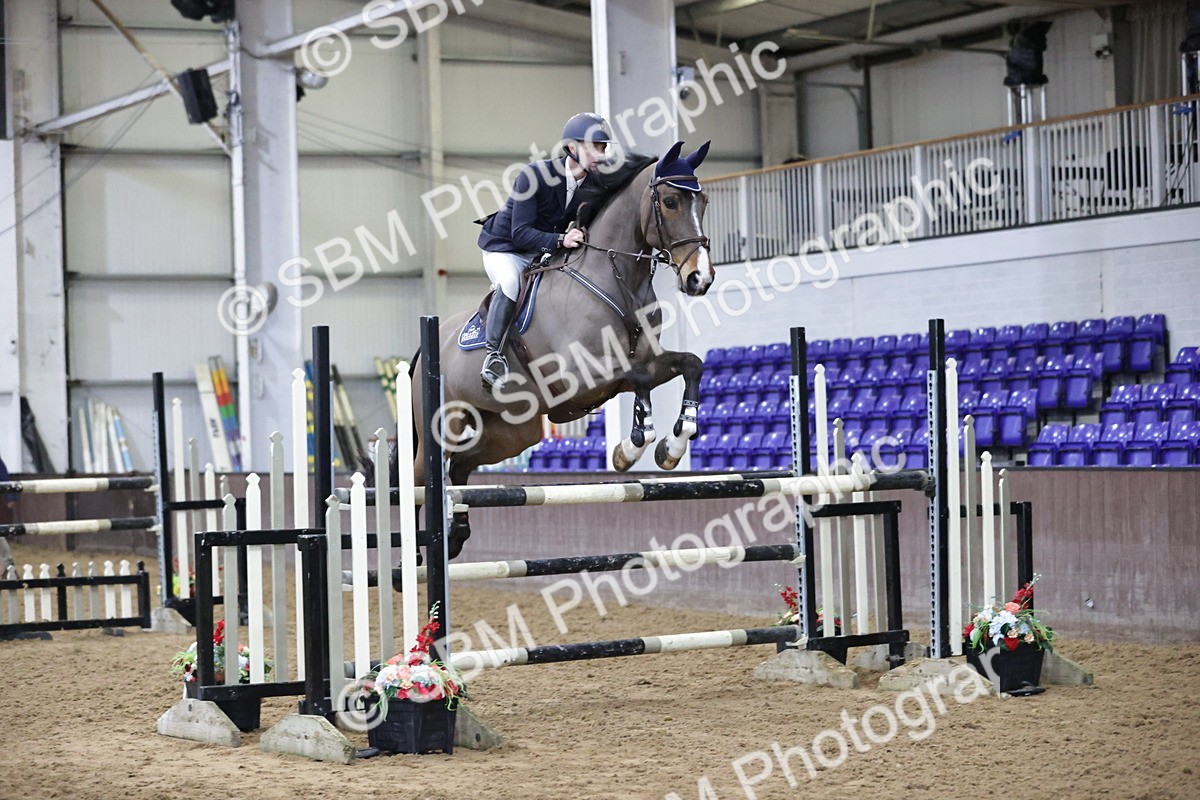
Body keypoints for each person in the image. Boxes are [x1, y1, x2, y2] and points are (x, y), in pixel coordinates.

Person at [476, 112, 614, 388]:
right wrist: (562, 240)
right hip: (506, 248)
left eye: (603, 147)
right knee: (511, 282)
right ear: (572, 148)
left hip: (543, 250)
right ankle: (494, 355)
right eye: (594, 147)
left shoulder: (593, 185)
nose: (600, 154)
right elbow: (521, 233)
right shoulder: (535, 176)